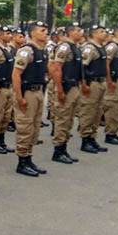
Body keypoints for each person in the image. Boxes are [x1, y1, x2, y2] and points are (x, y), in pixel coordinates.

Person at [12, 21, 50, 177]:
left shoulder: (43, 51)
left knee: (34, 127)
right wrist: (20, 98)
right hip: (27, 93)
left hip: (38, 92)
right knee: (25, 127)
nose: (46, 33)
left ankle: (29, 157)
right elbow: (16, 74)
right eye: (42, 31)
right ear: (33, 33)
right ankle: (22, 161)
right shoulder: (27, 51)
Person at [48, 21, 84, 164]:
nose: (80, 32)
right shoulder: (65, 47)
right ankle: (58, 150)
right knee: (63, 119)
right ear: (70, 32)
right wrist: (60, 90)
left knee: (69, 120)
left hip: (74, 86)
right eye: (78, 30)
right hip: (66, 87)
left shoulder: (76, 47)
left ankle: (64, 148)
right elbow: (57, 67)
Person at [78, 25, 110, 153]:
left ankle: (92, 137)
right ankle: (85, 139)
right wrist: (84, 84)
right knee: (89, 111)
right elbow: (82, 67)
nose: (105, 33)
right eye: (102, 32)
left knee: (97, 112)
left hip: (101, 83)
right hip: (92, 84)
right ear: (94, 34)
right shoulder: (89, 48)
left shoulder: (101, 48)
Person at [0, 26, 15, 154]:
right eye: (7, 33)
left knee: (6, 116)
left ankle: (1, 141)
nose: (10, 35)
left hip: (8, 87)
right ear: (0, 35)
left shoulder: (8, 49)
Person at [102, 25, 118, 145]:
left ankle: (114, 131)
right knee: (113, 106)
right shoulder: (113, 46)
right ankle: (110, 133)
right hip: (114, 81)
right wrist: (109, 80)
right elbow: (107, 63)